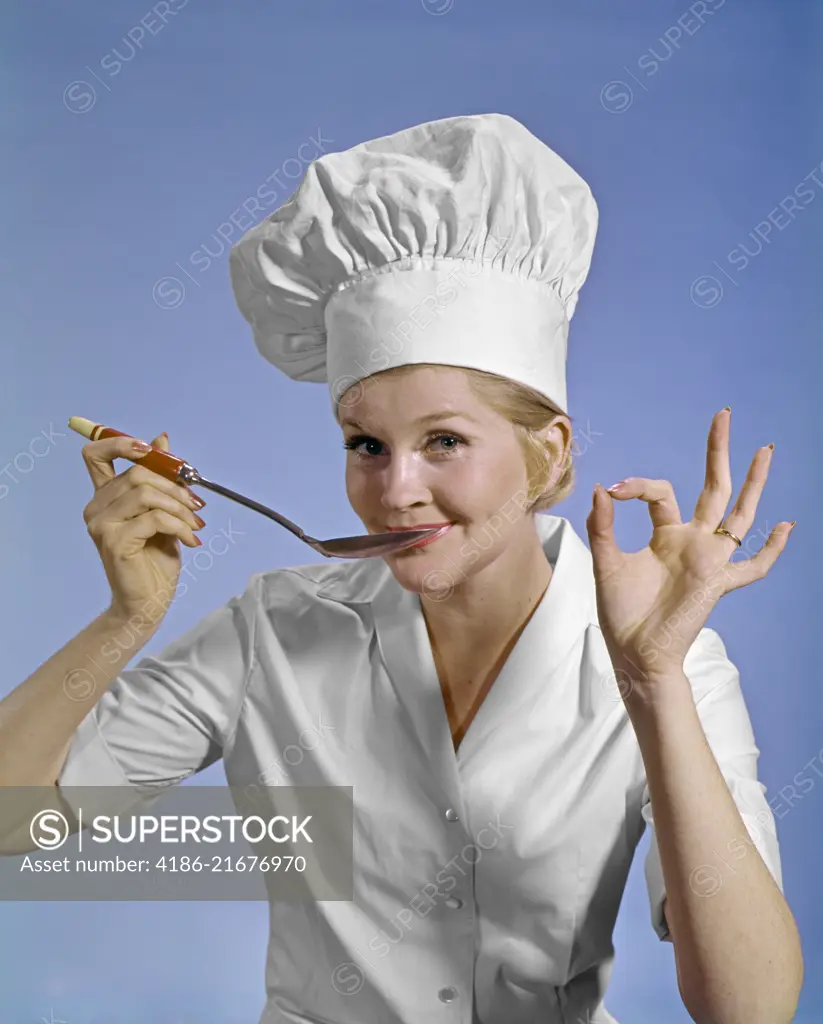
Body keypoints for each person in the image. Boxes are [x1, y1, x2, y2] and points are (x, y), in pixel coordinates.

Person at [0, 113, 802, 1023]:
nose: (396, 490)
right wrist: (125, 621)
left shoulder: (670, 658)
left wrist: (651, 682)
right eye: (367, 444)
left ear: (550, 451)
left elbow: (750, 1010)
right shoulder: (273, 630)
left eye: (445, 441)